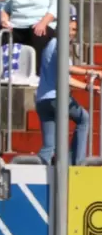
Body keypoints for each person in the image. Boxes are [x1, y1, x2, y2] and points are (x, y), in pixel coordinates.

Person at [35, 17, 102, 165]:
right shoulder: (59, 44)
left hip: (42, 100)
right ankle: (77, 164)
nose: (72, 33)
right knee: (83, 118)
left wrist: (88, 87)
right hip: (56, 98)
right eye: (69, 29)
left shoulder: (51, 45)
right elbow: (67, 69)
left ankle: (37, 175)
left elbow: (65, 78)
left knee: (49, 146)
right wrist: (91, 72)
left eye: (74, 30)